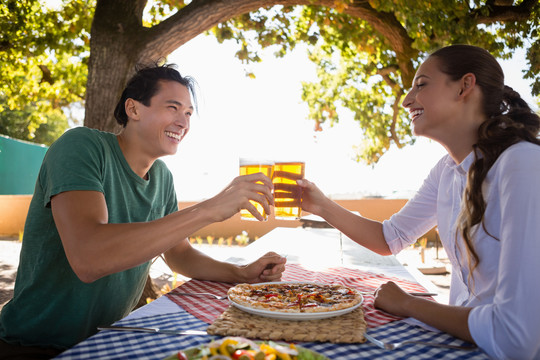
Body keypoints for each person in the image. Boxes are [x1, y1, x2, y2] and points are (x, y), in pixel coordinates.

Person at [0, 64, 286, 359]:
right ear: (133, 109)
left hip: (105, 343)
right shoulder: (81, 146)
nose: (183, 122)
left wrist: (241, 274)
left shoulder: (162, 177)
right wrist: (210, 209)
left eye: (188, 113)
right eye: (172, 108)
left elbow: (179, 254)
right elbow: (89, 256)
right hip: (33, 347)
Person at [297, 44, 540, 359]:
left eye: (421, 85)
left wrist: (409, 304)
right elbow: (391, 237)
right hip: (462, 347)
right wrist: (318, 204)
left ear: (465, 86)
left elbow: (515, 339)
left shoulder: (523, 164)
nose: (407, 99)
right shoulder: (448, 171)